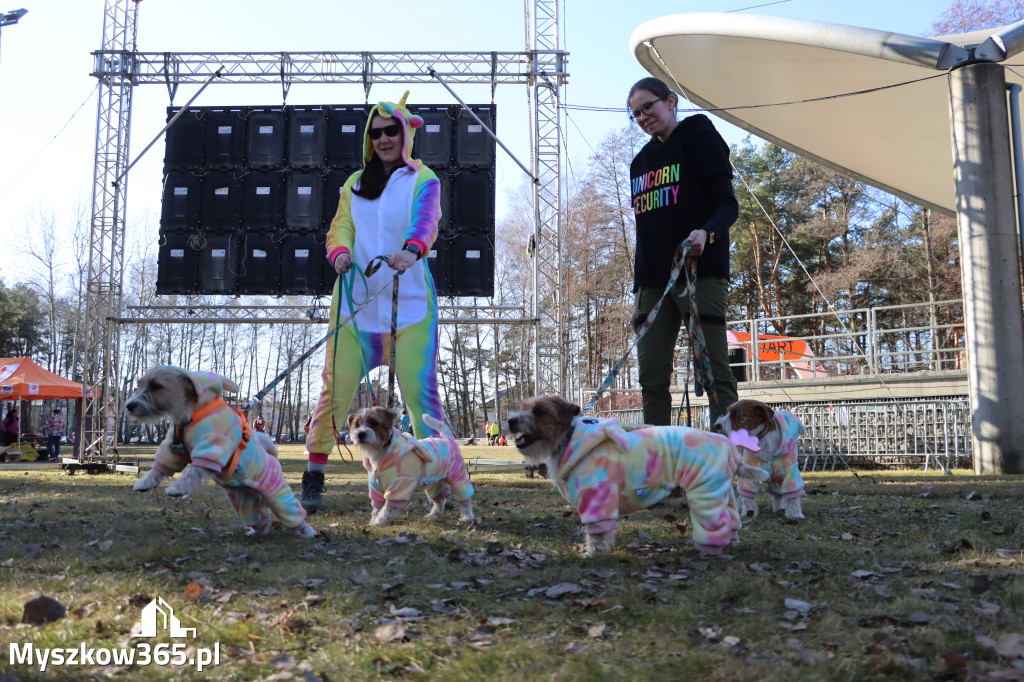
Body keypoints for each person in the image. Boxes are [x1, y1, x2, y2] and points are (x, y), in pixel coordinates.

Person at [301, 91, 444, 513]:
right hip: (355, 310)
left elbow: (427, 220)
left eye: (391, 131)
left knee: (422, 397)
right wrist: (339, 253)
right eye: (376, 133)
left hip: (410, 307)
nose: (383, 139)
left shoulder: (424, 179)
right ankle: (313, 477)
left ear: (405, 135)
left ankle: (441, 482)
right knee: (333, 393)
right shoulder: (354, 183)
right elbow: (340, 228)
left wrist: (413, 250)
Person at [627, 76, 739, 426]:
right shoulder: (639, 163)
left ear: (671, 101)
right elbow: (648, 230)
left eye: (648, 106)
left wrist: (708, 232)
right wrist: (639, 291)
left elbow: (728, 205)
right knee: (651, 378)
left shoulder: (699, 136)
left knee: (714, 372)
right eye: (635, 113)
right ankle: (656, 455)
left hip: (699, 273)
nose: (643, 117)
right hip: (651, 283)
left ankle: (727, 452)